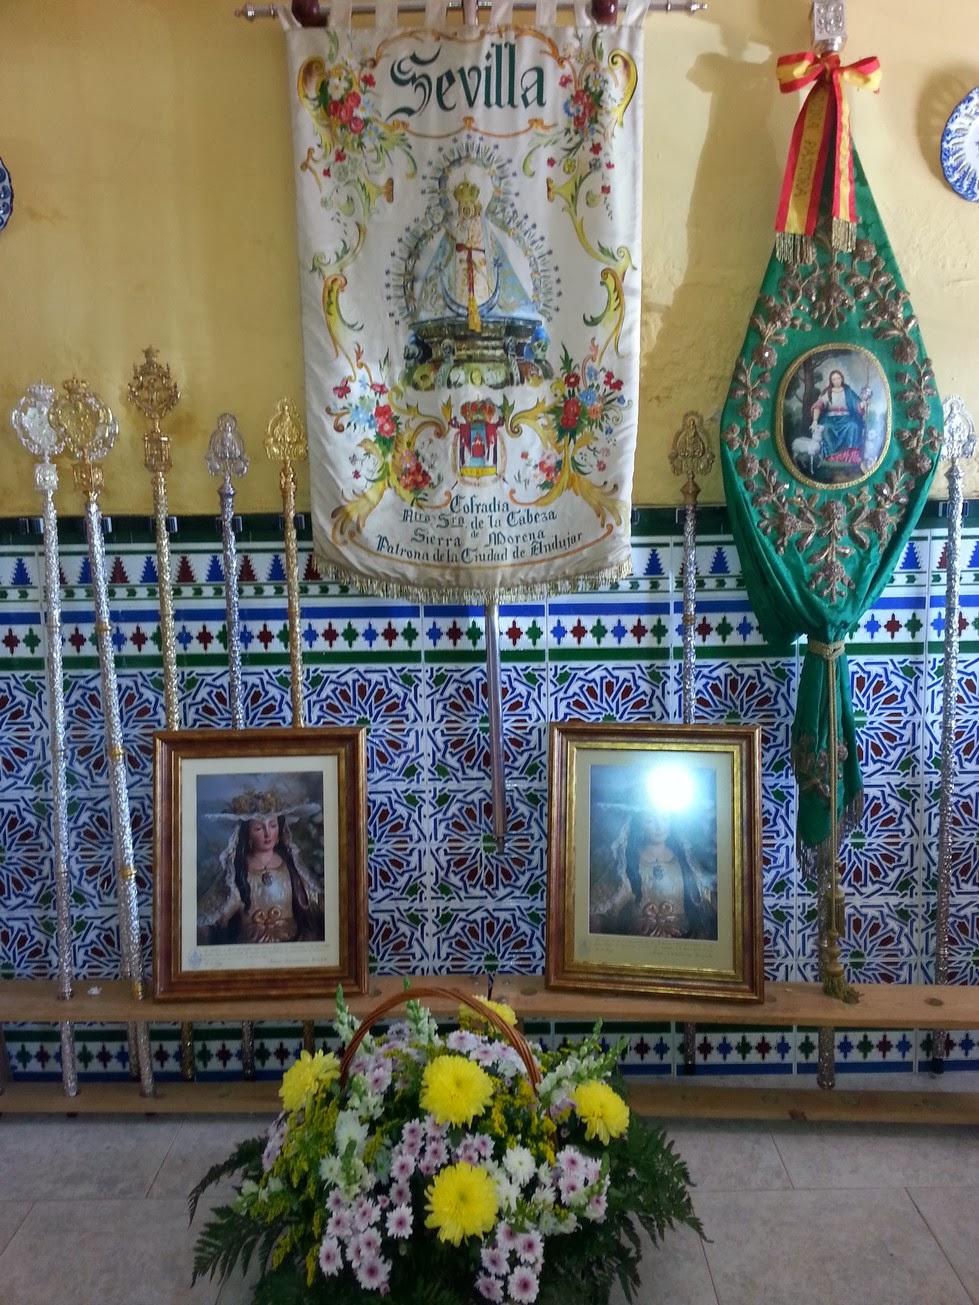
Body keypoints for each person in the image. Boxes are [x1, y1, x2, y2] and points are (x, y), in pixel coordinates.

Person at [197, 788, 324, 945]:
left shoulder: (291, 866)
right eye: (258, 828)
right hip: (252, 946)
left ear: (280, 829)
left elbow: (313, 899)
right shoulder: (237, 872)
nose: (267, 833)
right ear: (247, 834)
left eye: (273, 825)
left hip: (291, 942)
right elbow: (216, 912)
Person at [590, 807, 717, 941]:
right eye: (650, 820)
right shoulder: (628, 860)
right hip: (640, 938)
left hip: (682, 936)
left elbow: (702, 895)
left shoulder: (685, 860)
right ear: (640, 824)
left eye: (664, 819)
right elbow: (607, 900)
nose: (659, 826)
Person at [810, 367, 870, 468]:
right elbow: (818, 406)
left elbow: (857, 404)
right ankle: (832, 456)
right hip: (830, 419)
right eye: (834, 379)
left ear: (842, 379)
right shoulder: (827, 392)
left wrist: (863, 404)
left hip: (847, 418)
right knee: (826, 428)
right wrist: (815, 421)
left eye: (838, 378)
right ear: (831, 381)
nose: (836, 381)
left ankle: (850, 456)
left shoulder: (848, 391)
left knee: (853, 426)